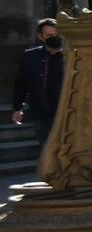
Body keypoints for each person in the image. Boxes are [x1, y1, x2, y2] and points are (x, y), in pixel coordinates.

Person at [10, 18, 63, 148]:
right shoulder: (30, 56)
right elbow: (21, 83)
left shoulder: (70, 56)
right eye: (49, 35)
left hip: (64, 113)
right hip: (40, 113)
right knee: (46, 150)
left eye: (57, 35)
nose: (54, 38)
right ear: (40, 36)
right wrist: (18, 108)